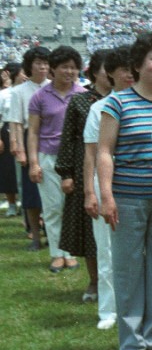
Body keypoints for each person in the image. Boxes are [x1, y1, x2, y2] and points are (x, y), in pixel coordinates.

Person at [98, 31, 152, 350]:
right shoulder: (117, 102)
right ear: (139, 65)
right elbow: (104, 151)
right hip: (127, 199)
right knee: (128, 271)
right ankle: (130, 345)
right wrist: (106, 195)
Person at [84, 45, 134, 331]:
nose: (129, 75)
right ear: (110, 74)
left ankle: (135, 307)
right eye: (123, 69)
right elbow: (91, 153)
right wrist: (92, 193)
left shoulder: (150, 103)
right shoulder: (99, 108)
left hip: (139, 184)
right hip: (106, 183)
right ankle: (108, 308)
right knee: (107, 250)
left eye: (132, 68)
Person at [55, 49, 111, 301]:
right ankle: (95, 281)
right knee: (90, 231)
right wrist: (67, 173)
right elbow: (67, 139)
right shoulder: (80, 101)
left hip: (119, 171)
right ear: (94, 72)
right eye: (105, 69)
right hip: (85, 170)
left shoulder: (127, 99)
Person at [28, 45, 86, 273]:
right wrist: (34, 162)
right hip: (48, 156)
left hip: (75, 159)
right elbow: (32, 132)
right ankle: (56, 254)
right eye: (64, 67)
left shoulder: (82, 94)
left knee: (72, 208)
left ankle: (70, 253)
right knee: (53, 208)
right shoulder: (40, 96)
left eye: (73, 68)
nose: (69, 72)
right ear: (53, 69)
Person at [8, 46, 50, 250]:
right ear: (29, 66)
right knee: (32, 195)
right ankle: (35, 235)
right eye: (38, 63)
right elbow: (15, 121)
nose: (42, 67)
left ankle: (53, 234)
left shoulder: (54, 86)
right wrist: (19, 148)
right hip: (29, 137)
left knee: (52, 192)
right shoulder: (19, 91)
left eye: (45, 63)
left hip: (51, 139)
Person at [0, 62, 25, 217]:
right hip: (6, 132)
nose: (25, 76)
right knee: (8, 170)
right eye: (22, 72)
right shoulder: (4, 94)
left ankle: (25, 203)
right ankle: (11, 204)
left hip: (23, 131)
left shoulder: (27, 92)